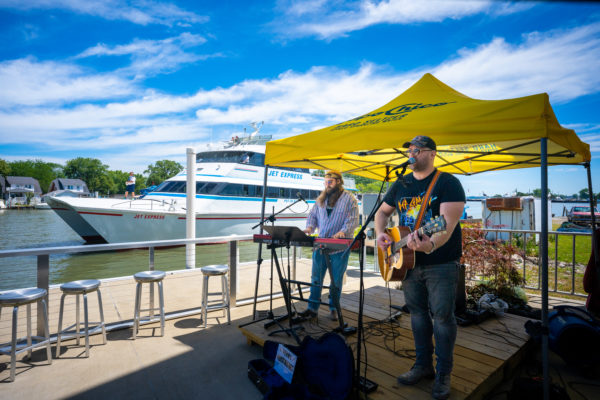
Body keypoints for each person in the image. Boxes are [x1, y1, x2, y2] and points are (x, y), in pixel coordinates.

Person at [375, 136, 465, 400]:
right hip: (407, 262)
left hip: (441, 262)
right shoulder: (400, 183)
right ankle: (423, 365)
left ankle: (443, 373)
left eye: (417, 149)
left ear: (432, 153)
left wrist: (430, 245)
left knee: (443, 317)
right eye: (409, 150)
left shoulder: (448, 183)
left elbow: (446, 225)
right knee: (416, 314)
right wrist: (381, 234)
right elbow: (381, 213)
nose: (411, 153)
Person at [301, 170, 359, 321]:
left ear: (338, 181)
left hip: (339, 247)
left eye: (330, 181)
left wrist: (343, 232)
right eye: (326, 181)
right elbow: (313, 216)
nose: (327, 184)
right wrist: (309, 227)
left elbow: (353, 220)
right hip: (320, 245)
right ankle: (312, 308)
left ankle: (334, 308)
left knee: (336, 280)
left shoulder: (349, 199)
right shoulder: (320, 199)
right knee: (315, 278)